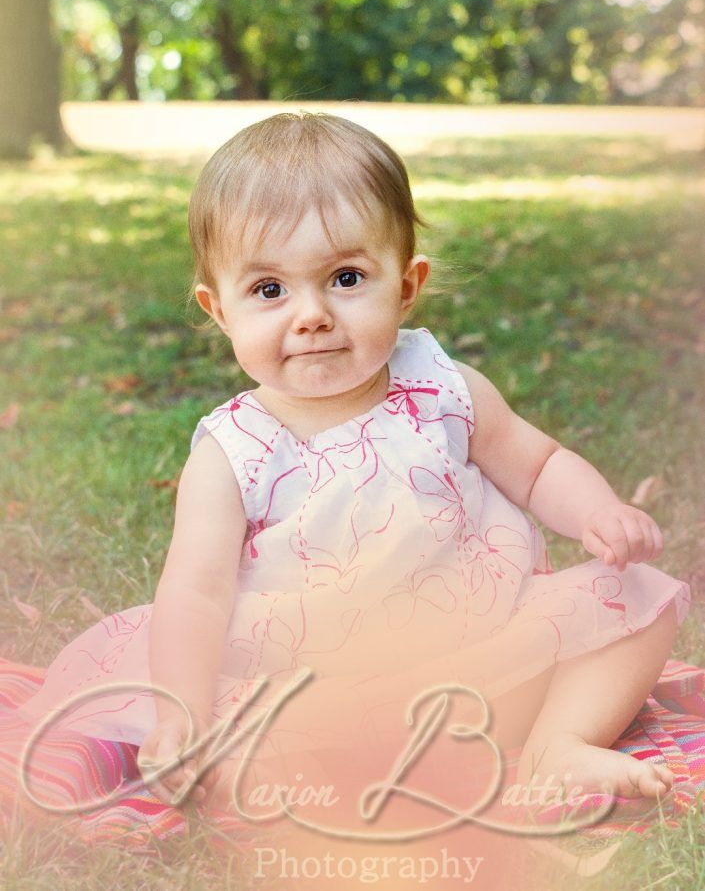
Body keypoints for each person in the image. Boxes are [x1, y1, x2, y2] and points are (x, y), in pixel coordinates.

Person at [13, 112, 690, 828]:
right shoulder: (235, 447)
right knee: (244, 731)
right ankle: (272, 766)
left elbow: (537, 464)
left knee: (635, 597)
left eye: (344, 278)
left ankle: (560, 742)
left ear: (404, 287)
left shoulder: (442, 387)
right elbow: (196, 592)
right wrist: (181, 706)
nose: (310, 315)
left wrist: (595, 513)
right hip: (316, 682)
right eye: (269, 289)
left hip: (486, 652)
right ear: (219, 310)